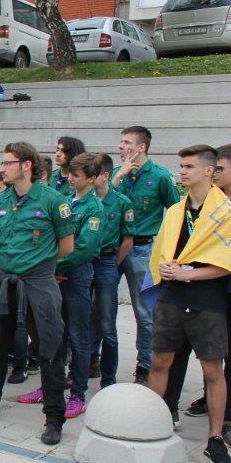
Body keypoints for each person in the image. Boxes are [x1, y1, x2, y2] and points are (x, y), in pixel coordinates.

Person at [0, 142, 74, 446]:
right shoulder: (4, 201)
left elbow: (66, 246)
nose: (2, 168)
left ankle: (54, 418)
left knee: (49, 348)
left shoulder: (53, 201)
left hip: (38, 281)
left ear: (26, 165)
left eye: (8, 162)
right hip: (5, 280)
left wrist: (39, 263)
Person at [145, 145, 231, 463]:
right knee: (159, 361)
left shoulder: (225, 211)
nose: (182, 171)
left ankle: (215, 438)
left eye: (189, 166)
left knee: (212, 369)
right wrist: (166, 268)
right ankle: (152, 425)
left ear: (209, 170)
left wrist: (188, 273)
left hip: (207, 298)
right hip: (172, 295)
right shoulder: (175, 211)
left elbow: (226, 262)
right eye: (181, 166)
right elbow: (163, 250)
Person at [18, 152, 103, 419]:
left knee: (78, 336)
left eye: (77, 175)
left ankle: (77, 394)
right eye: (70, 174)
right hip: (53, 275)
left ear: (91, 178)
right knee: (54, 333)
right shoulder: (66, 200)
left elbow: (83, 248)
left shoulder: (94, 208)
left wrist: (55, 267)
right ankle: (50, 387)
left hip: (76, 276)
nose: (71, 179)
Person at [113, 125, 181, 384]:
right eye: (121, 142)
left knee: (144, 312)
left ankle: (144, 367)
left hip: (141, 249)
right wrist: (118, 178)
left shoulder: (160, 176)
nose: (121, 146)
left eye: (126, 142)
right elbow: (102, 201)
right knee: (100, 307)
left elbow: (176, 213)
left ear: (141, 147)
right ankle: (95, 361)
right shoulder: (117, 175)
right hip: (112, 248)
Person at [89, 154, 134, 387]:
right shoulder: (82, 201)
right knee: (83, 319)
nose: (89, 179)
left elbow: (128, 239)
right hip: (85, 262)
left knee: (107, 323)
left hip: (107, 261)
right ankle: (84, 367)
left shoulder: (121, 202)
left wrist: (113, 264)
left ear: (105, 176)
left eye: (93, 174)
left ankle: (108, 377)